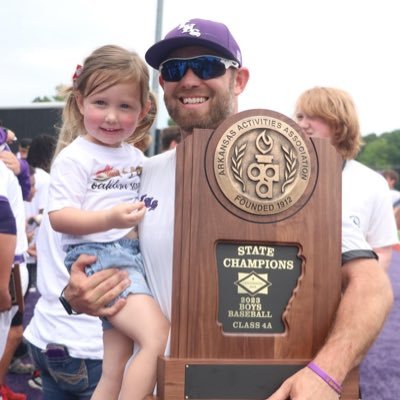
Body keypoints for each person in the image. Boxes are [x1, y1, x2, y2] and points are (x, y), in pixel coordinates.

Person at [62, 19, 393, 400]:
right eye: (172, 70)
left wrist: (326, 373)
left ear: (239, 80)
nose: (188, 79)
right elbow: (90, 260)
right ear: (162, 85)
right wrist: (75, 297)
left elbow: (370, 287)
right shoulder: (138, 174)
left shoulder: (290, 175)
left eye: (206, 66)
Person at [47, 45, 169, 400]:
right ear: (81, 101)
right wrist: (110, 218)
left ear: (144, 109)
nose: (112, 117)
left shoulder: (134, 156)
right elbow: (59, 217)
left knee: (115, 367)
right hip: (103, 256)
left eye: (125, 106)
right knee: (157, 336)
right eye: (101, 103)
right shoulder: (75, 157)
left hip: (126, 254)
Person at [294, 87, 398, 272]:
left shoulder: (372, 183)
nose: (303, 124)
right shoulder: (280, 178)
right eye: (300, 117)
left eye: (313, 116)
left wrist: (354, 292)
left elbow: (381, 251)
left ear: (340, 125)